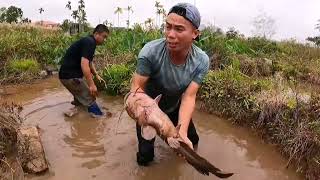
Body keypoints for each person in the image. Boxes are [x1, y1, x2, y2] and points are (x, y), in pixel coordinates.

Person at [128, 3, 210, 166]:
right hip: (149, 111)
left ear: (195, 33)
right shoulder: (150, 52)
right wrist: (139, 110)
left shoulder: (201, 60)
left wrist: (183, 131)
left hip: (174, 107)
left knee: (192, 140)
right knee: (145, 157)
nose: (170, 34)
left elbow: (189, 96)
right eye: (168, 27)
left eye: (179, 29)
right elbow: (136, 89)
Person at [59, 24, 109, 117]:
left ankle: (77, 119)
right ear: (97, 34)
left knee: (81, 102)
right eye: (104, 37)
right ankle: (99, 117)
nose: (105, 40)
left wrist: (96, 74)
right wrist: (91, 85)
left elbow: (89, 62)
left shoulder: (89, 41)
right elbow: (84, 64)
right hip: (71, 77)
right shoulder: (90, 42)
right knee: (90, 99)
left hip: (67, 76)